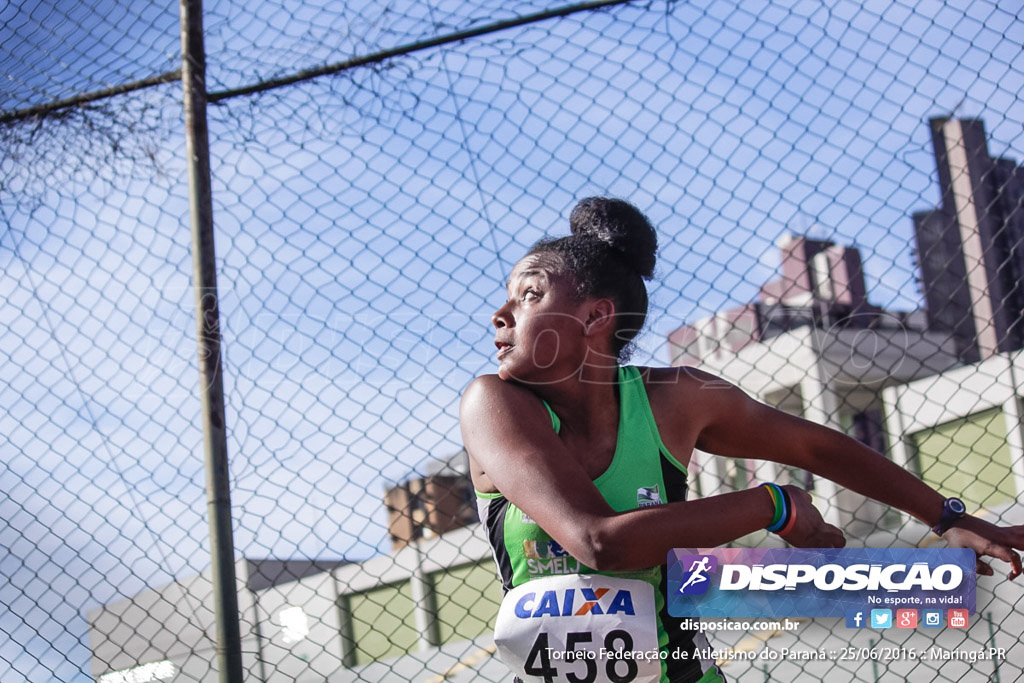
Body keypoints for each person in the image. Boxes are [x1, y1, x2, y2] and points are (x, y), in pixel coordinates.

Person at [459, 197, 1024, 683]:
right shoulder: (495, 404)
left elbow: (817, 447)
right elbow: (600, 542)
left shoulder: (675, 400)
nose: (500, 314)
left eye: (528, 295)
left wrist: (948, 518)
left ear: (596, 315)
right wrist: (771, 504)